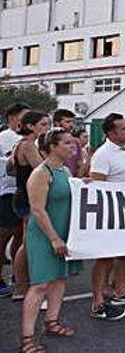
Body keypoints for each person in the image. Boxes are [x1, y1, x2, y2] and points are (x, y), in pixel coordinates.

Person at [19, 128, 83, 353]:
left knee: (59, 279)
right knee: (40, 285)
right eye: (66, 143)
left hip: (62, 232)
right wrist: (54, 238)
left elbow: (70, 191)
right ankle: (27, 338)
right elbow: (37, 210)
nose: (72, 145)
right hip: (45, 234)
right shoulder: (40, 173)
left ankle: (52, 322)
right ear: (52, 147)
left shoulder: (64, 170)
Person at [89, 113, 125, 321]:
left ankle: (121, 291)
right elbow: (96, 186)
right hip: (110, 213)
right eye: (123, 128)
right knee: (104, 258)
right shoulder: (103, 155)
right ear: (111, 133)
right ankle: (98, 301)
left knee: (124, 253)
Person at [10, 111, 50, 300]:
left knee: (28, 242)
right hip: (26, 198)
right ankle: (20, 286)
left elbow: (10, 168)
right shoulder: (27, 145)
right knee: (28, 244)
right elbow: (42, 169)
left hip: (23, 195)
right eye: (43, 125)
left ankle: (21, 283)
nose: (47, 128)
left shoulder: (21, 144)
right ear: (31, 126)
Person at [0, 102, 30, 297]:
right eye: (26, 116)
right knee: (3, 237)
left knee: (21, 236)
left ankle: (17, 277)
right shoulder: (4, 138)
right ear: (13, 119)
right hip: (7, 192)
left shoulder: (28, 139)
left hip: (24, 192)